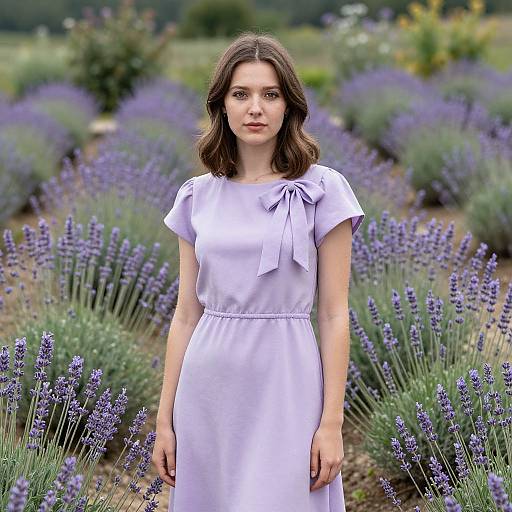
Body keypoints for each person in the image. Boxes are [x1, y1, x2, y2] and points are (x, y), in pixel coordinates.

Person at [152, 32, 365, 512]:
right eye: (241, 94)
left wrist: (331, 423)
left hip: (286, 384)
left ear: (289, 106)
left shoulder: (323, 191)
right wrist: (165, 420)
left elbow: (333, 314)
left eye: (270, 95)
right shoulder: (196, 196)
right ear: (221, 105)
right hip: (208, 391)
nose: (256, 108)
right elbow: (186, 314)